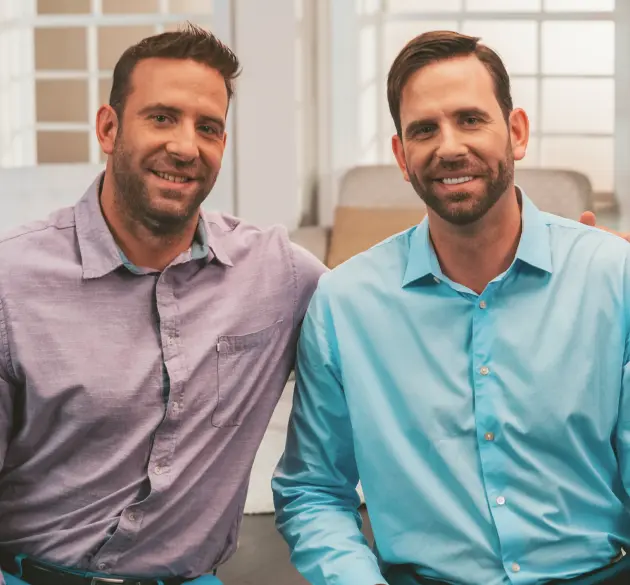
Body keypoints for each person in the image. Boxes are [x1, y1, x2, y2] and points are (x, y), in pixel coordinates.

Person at [272, 31, 630, 585]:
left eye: (470, 119)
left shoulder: (613, 277)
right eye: (423, 129)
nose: (449, 147)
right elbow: (314, 490)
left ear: (516, 133)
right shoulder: (345, 306)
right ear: (401, 156)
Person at [0, 24, 325, 585]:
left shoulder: (278, 274)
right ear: (108, 127)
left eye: (209, 127)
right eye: (161, 117)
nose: (185, 145)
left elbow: (383, 325)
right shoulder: (13, 281)